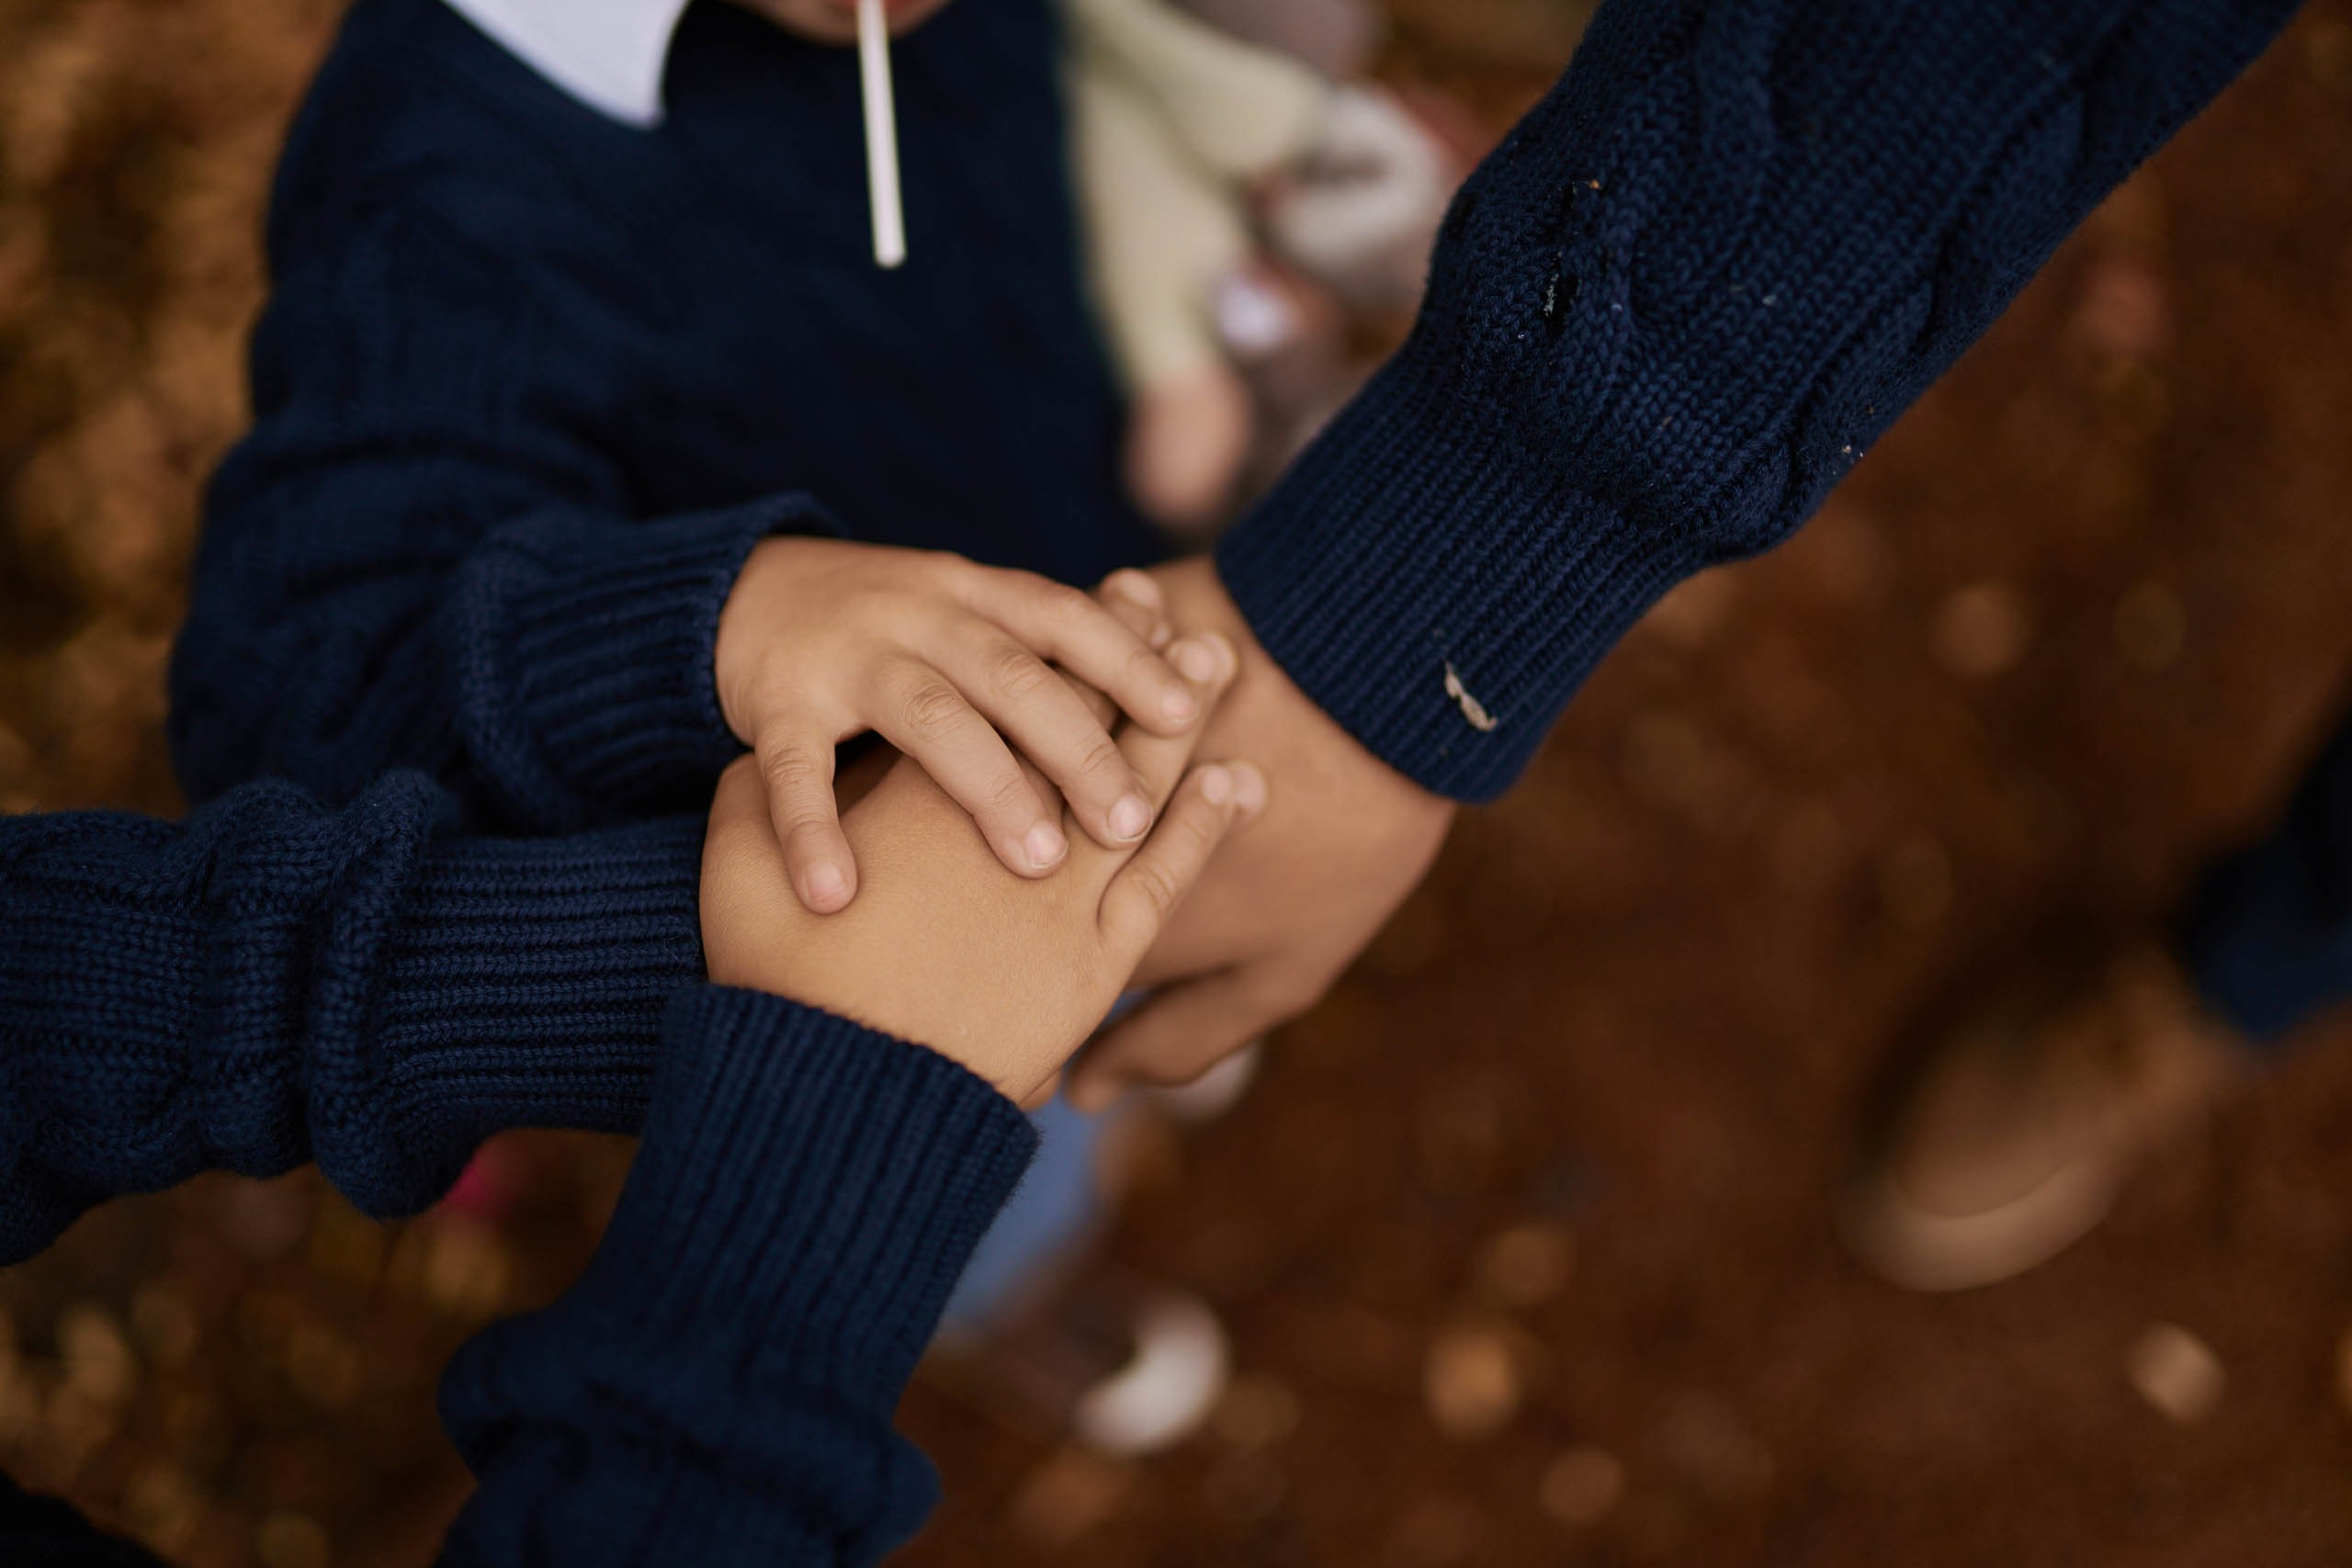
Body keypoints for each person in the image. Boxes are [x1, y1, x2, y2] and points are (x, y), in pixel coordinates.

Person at [2, 634, 1261, 1563]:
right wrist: (832, 1098)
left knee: (1034, 1020)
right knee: (1001, 1156)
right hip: (831, 1171)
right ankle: (1055, 1238)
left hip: (783, 1037)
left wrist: (696, 954)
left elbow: (56, 987)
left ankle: (1108, 1034)